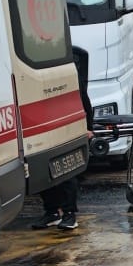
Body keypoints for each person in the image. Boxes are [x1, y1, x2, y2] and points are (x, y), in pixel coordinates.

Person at [33, 48, 93, 230]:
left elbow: (84, 101)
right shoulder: (37, 75)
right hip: (46, 126)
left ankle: (69, 214)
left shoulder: (67, 73)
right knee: (43, 172)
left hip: (68, 126)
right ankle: (51, 212)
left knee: (67, 172)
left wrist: (88, 127)